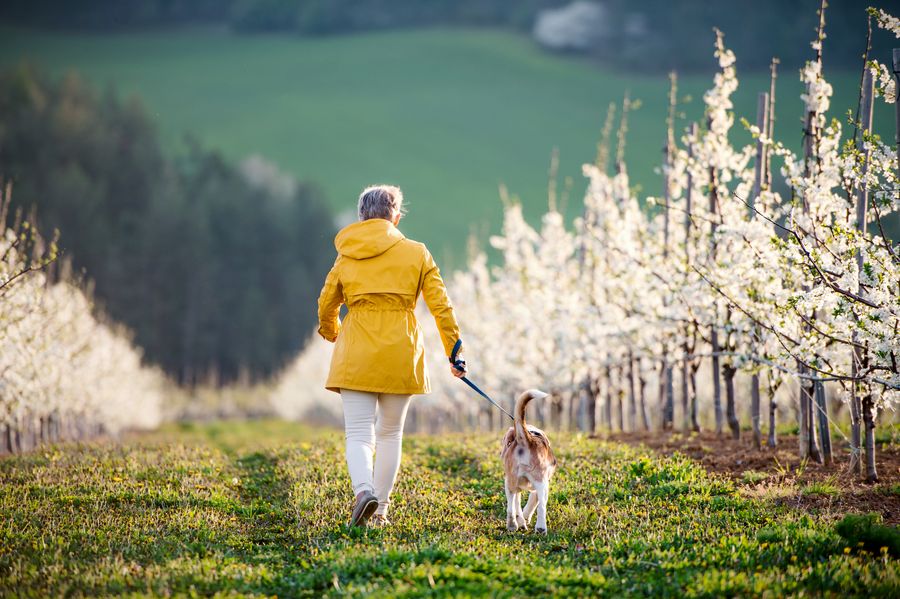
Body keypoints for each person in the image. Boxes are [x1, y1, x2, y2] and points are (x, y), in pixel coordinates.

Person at [317, 184, 465, 528]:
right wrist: (454, 352)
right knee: (389, 434)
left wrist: (331, 331)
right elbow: (441, 306)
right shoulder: (417, 253)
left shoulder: (347, 255)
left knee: (357, 433)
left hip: (356, 350)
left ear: (361, 216)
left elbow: (327, 301)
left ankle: (363, 489)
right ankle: (380, 510)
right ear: (395, 216)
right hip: (401, 350)